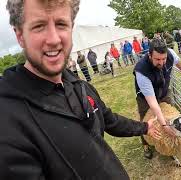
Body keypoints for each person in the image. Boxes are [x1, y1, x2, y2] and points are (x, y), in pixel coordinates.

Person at [1, 0, 161, 179]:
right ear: (20, 35)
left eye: (61, 24)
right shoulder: (8, 119)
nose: (54, 39)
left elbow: (109, 120)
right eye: (39, 26)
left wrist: (144, 127)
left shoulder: (78, 84)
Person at [133, 38, 181, 159]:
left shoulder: (170, 54)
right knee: (146, 121)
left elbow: (178, 61)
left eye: (164, 59)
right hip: (146, 97)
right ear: (149, 55)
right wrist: (163, 126)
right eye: (157, 59)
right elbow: (152, 103)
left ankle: (173, 144)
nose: (162, 63)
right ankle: (146, 144)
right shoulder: (141, 71)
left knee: (170, 115)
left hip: (163, 90)